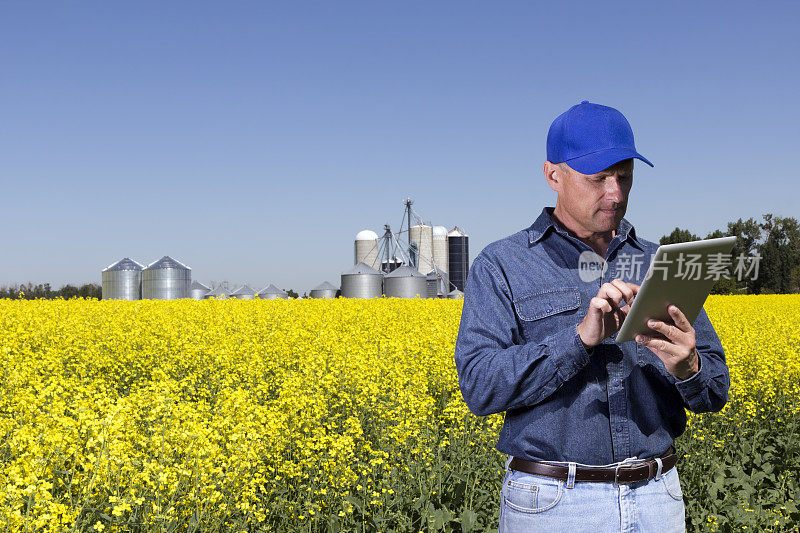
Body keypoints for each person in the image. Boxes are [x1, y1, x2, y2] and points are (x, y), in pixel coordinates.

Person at [453, 101, 729, 532]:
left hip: (658, 498)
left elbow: (714, 391)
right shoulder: (501, 265)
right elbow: (479, 388)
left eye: (624, 176)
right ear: (552, 175)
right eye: (598, 178)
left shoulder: (661, 262)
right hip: (553, 505)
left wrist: (688, 367)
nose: (615, 193)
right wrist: (579, 340)